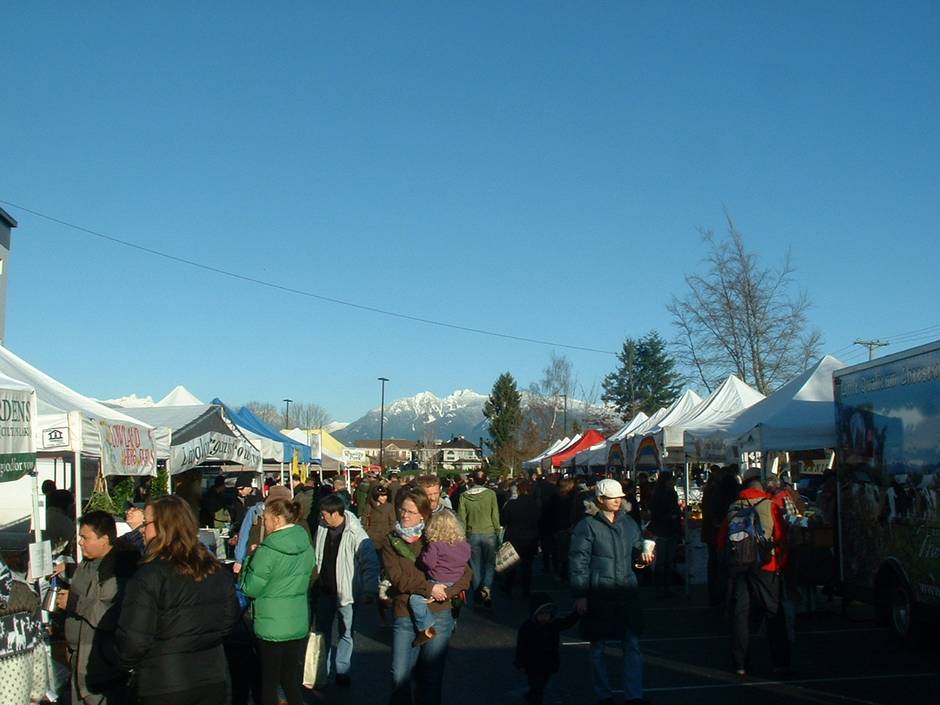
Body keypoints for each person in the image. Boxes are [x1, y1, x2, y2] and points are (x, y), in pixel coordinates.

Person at [116, 495, 240, 705]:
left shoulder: (149, 575)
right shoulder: (214, 569)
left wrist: (124, 663)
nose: (142, 530)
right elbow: (229, 619)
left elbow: (133, 640)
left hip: (165, 681)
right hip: (212, 676)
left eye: (146, 523)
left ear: (163, 526)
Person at [381, 487, 472, 705]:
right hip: (405, 612)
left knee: (431, 677)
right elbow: (398, 579)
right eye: (402, 510)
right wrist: (430, 588)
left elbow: (466, 574)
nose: (405, 515)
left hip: (439, 612)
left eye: (411, 512)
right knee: (399, 675)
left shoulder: (437, 535)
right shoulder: (391, 540)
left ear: (423, 514)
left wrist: (446, 592)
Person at [569, 478, 654, 705]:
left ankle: (634, 695)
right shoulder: (587, 525)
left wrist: (643, 558)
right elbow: (578, 561)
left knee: (632, 644)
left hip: (626, 591)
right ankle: (604, 694)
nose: (617, 501)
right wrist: (580, 594)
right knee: (598, 646)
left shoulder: (629, 523)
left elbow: (636, 549)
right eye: (612, 497)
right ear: (600, 499)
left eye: (620, 497)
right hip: (599, 592)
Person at [239, 497, 316, 705]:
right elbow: (311, 575)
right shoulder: (306, 545)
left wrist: (249, 559)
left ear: (277, 519)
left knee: (269, 682)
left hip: (271, 623)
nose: (264, 524)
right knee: (289, 679)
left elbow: (250, 588)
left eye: (266, 519)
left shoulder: (268, 550)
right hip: (296, 619)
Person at [58, 510, 137, 705]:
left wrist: (74, 603)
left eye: (85, 538)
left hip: (100, 665)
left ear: (104, 539)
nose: (80, 542)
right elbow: (85, 586)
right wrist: (68, 571)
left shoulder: (117, 571)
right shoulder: (88, 563)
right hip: (78, 658)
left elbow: (109, 615)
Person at [717, 468, 791, 677]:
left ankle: (741, 663)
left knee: (741, 615)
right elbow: (781, 536)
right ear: (761, 487)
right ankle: (780, 662)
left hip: (739, 565)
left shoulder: (734, 507)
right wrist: (781, 563)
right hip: (766, 565)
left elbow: (721, 541)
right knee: (774, 613)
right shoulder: (770, 506)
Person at [312, 493, 379, 687]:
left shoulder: (356, 533)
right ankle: (322, 671)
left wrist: (370, 589)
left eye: (324, 514)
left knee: (346, 633)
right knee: (322, 633)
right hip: (324, 589)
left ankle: (342, 670)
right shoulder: (322, 527)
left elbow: (370, 563)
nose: (322, 517)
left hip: (347, 592)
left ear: (336, 514)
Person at [409, 510, 470, 646]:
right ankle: (455, 605)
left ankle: (425, 627)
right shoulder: (464, 545)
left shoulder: (435, 545)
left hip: (438, 580)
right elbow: (466, 559)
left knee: (415, 600)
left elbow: (429, 563)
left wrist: (422, 556)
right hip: (455, 580)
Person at [514, 592, 579, 705]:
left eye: (547, 613)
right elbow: (521, 646)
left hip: (548, 663)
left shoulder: (553, 624)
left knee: (541, 685)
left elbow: (567, 622)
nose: (544, 617)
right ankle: (534, 699)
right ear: (535, 614)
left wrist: (577, 613)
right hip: (533, 664)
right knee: (537, 688)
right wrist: (520, 663)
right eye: (541, 614)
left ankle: (531, 696)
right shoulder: (527, 627)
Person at [0, 557, 48, 705]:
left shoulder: (23, 593)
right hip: (15, 693)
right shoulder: (24, 592)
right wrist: (36, 694)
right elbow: (38, 650)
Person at [456, 471, 501, 607]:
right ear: (485, 480)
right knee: (490, 564)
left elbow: (461, 518)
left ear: (473, 480)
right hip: (489, 532)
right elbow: (495, 514)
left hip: (472, 533)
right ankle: (486, 587)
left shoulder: (464, 496)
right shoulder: (491, 494)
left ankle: (477, 591)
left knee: (475, 565)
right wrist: (497, 530)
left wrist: (462, 535)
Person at [500, 480, 541, 597]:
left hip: (513, 537)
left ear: (518, 491)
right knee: (527, 566)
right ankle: (525, 589)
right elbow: (540, 521)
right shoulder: (536, 505)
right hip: (530, 538)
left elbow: (503, 521)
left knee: (511, 565)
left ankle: (508, 587)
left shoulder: (511, 504)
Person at [649, 470, 681, 598]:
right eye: (671, 480)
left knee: (666, 561)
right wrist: (671, 516)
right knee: (663, 561)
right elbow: (657, 513)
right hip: (664, 530)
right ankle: (661, 588)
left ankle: (664, 587)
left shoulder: (668, 493)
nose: (673, 482)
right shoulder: (660, 494)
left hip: (667, 529)